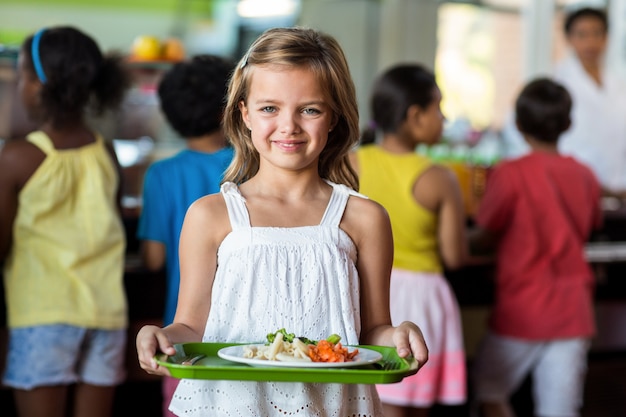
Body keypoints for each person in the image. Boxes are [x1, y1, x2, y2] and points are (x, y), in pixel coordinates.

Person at [136, 26, 429, 416]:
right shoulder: (209, 215)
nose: (289, 126)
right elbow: (191, 328)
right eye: (269, 108)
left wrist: (399, 335)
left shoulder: (365, 218)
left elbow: (374, 331)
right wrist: (158, 335)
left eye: (310, 109)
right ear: (244, 115)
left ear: (334, 118)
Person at [0, 26, 131, 417]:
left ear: (39, 85)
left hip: (43, 312)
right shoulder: (105, 151)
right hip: (108, 314)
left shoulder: (17, 158)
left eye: (22, 74)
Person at [469, 78, 603, 417]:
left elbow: (485, 235)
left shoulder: (510, 173)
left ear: (517, 125)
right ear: (569, 124)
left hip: (523, 308)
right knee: (560, 409)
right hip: (574, 312)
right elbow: (589, 228)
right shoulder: (586, 175)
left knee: (489, 392)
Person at [351, 64, 468, 417]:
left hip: (366, 290)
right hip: (421, 299)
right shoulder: (439, 177)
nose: (443, 118)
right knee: (413, 404)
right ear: (415, 115)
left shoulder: (349, 162)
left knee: (377, 402)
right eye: (438, 108)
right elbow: (455, 256)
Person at [136, 54, 235, 417]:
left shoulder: (161, 174)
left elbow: (153, 258)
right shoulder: (250, 164)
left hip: (182, 331)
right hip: (242, 333)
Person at [502, 7, 626, 198]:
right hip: (571, 190)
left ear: (607, 37)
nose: (590, 42)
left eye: (597, 33)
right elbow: (518, 126)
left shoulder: (619, 85)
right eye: (582, 35)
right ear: (569, 38)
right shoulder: (556, 84)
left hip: (620, 192)